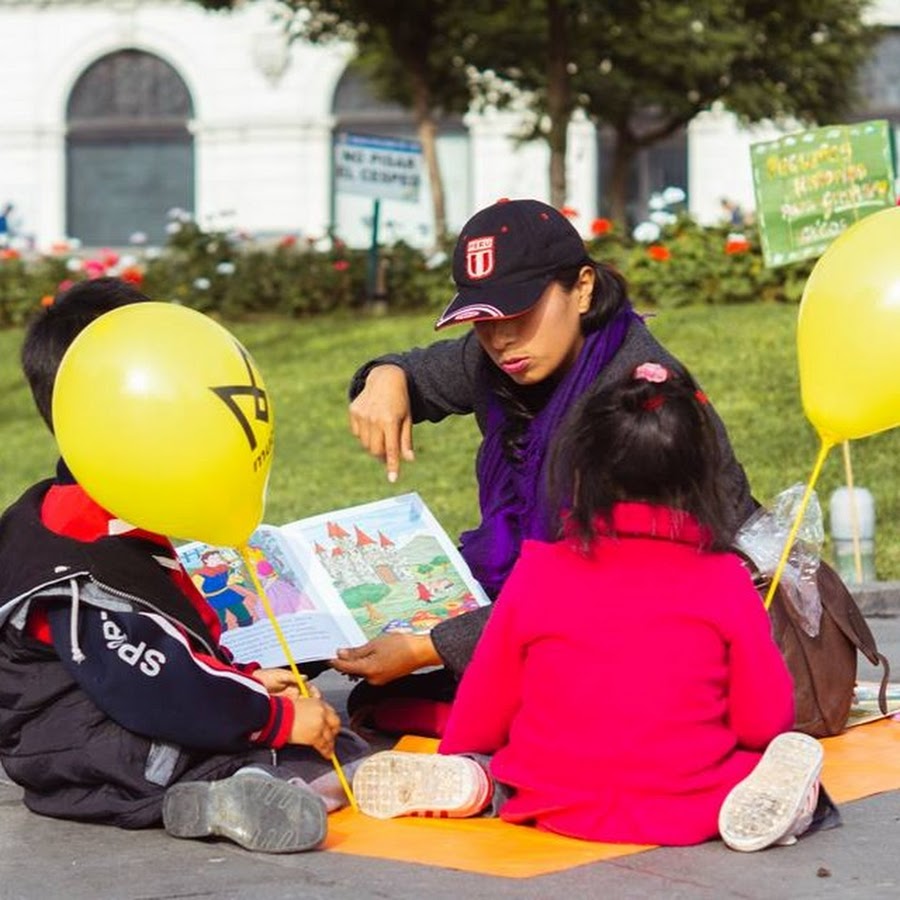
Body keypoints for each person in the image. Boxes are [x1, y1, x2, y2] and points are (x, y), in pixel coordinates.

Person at [351, 362, 828, 851]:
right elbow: (763, 721)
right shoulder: (724, 579)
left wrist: (461, 748)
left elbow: (486, 701)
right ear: (704, 477)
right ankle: (784, 804)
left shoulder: (539, 570)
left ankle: (477, 781)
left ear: (579, 471)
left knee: (504, 761)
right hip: (691, 803)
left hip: (548, 796)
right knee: (779, 758)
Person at [334, 198, 754, 723]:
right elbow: (421, 372)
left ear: (583, 288)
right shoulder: (506, 357)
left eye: (520, 313)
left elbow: (604, 588)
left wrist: (428, 647)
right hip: (578, 595)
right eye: (482, 320)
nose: (501, 338)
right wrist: (385, 377)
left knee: (401, 702)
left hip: (678, 614)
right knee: (379, 689)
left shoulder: (641, 404)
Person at [0, 278, 368, 853]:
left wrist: (244, 679)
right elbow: (148, 677)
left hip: (113, 725)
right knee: (283, 741)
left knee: (328, 741)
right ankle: (229, 792)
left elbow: (169, 636)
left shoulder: (119, 500)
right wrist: (272, 716)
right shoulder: (76, 548)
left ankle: (243, 786)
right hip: (85, 748)